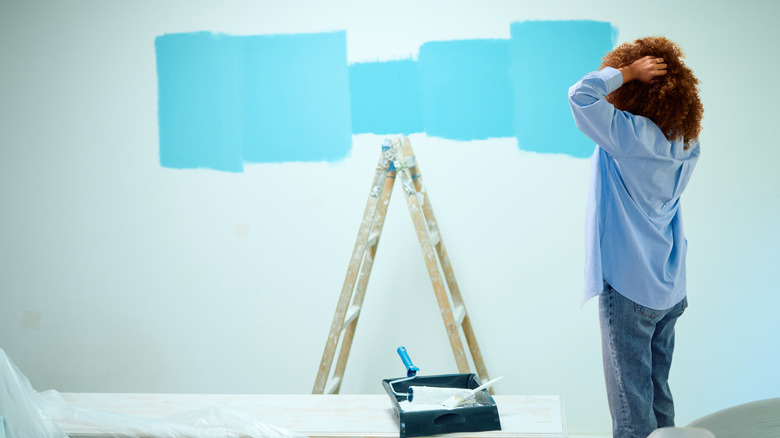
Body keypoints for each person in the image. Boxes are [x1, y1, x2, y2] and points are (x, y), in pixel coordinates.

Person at [568, 37, 704, 438]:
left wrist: (626, 72)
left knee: (631, 410)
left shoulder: (626, 135)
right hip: (669, 287)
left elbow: (581, 95)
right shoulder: (686, 142)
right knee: (658, 394)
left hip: (630, 290)